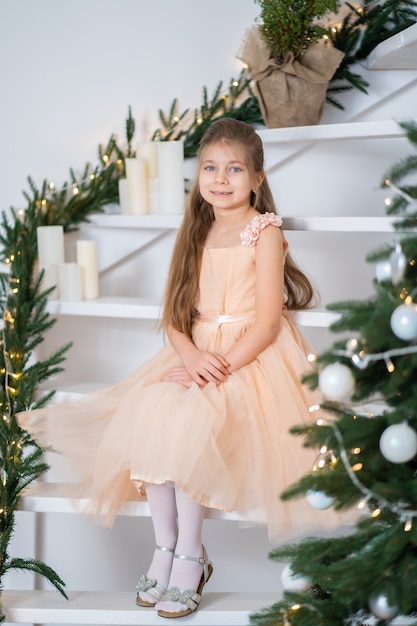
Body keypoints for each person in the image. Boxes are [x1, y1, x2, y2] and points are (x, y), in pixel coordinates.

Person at [19, 118, 332, 618]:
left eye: (234, 169)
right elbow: (175, 315)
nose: (221, 178)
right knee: (155, 409)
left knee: (189, 425)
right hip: (197, 352)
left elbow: (269, 323)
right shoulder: (197, 228)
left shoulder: (264, 231)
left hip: (249, 356)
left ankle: (190, 552)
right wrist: (189, 356)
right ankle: (165, 546)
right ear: (198, 176)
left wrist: (216, 367)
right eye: (210, 167)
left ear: (257, 177)